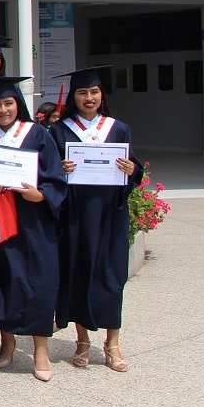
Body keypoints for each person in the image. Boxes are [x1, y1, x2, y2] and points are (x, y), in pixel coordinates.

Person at [50, 65, 143, 373]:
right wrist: (59, 170)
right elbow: (48, 174)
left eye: (93, 92)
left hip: (108, 215)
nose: (88, 98)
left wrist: (132, 171)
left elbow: (133, 168)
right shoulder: (61, 131)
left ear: (102, 95)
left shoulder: (118, 128)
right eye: (82, 92)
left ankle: (112, 342)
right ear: (73, 97)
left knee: (110, 277)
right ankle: (83, 340)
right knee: (78, 274)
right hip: (75, 216)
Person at [0, 75, 68, 382]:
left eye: (9, 103)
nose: (3, 110)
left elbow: (55, 176)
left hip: (32, 220)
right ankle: (7, 341)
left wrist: (39, 194)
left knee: (40, 282)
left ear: (18, 105)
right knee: (0, 282)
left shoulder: (37, 133)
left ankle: (40, 348)